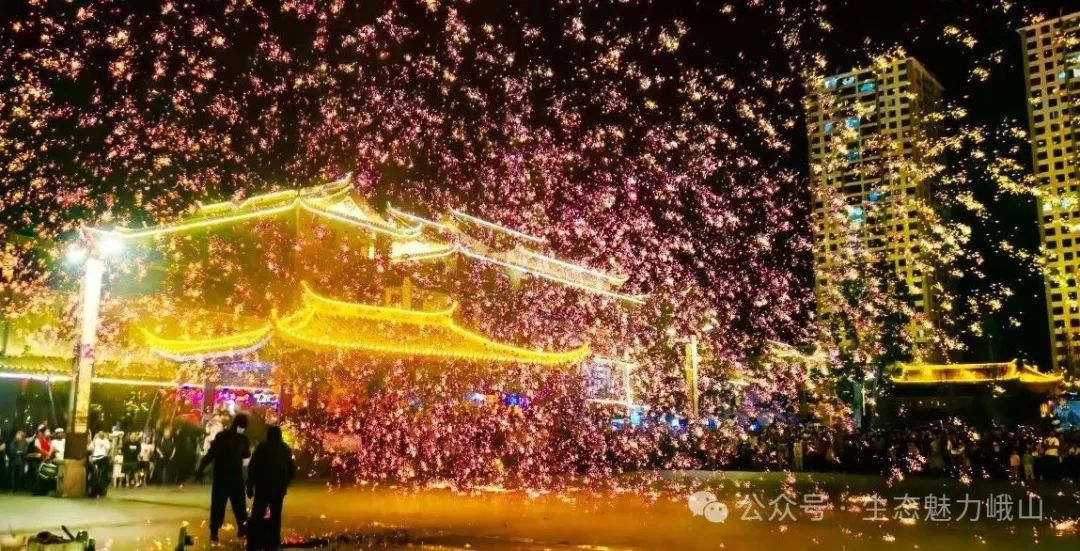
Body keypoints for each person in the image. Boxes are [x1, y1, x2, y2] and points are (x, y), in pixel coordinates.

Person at [196, 414, 250, 543]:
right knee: (238, 505)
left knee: (219, 505)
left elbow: (210, 455)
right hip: (233, 477)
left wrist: (200, 469)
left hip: (222, 477)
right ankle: (241, 528)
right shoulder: (242, 439)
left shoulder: (222, 437)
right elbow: (246, 454)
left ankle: (215, 531)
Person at [246, 426, 295, 551]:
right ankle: (274, 540)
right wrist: (285, 483)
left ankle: (255, 540)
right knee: (276, 515)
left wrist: (250, 485)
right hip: (278, 488)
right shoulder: (285, 449)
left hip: (263, 487)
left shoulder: (262, 447)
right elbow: (291, 469)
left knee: (258, 513)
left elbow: (253, 466)